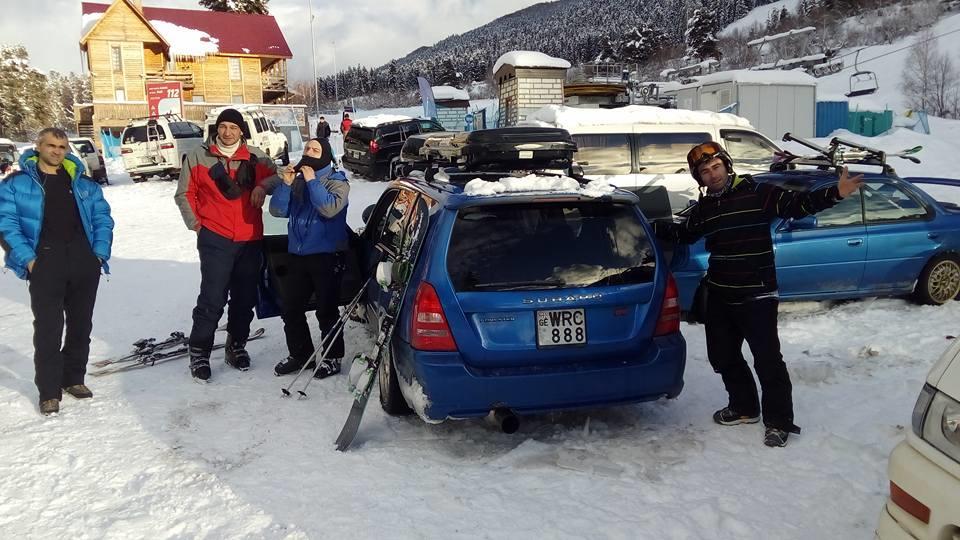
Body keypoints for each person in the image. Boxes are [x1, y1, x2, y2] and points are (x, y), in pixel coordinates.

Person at [652, 141, 863, 447]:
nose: (713, 175)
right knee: (722, 356)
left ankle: (778, 422)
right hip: (721, 293)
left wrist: (836, 192)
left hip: (757, 295)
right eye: (705, 172)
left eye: (716, 167)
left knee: (767, 361)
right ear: (699, 179)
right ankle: (744, 407)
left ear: (726, 165)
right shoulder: (706, 208)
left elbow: (798, 205)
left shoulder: (759, 192)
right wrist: (649, 226)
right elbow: (684, 234)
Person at [0, 128, 114, 416]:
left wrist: (98, 254)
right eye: (51, 145)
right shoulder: (16, 184)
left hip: (83, 261)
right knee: (49, 328)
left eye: (62, 146)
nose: (57, 151)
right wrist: (29, 260)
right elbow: (6, 224)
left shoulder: (83, 184)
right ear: (38, 147)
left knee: (81, 325)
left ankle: (74, 378)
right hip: (44, 262)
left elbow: (103, 218)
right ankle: (49, 391)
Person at [174, 108, 279, 382]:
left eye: (233, 127)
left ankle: (236, 345)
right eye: (223, 127)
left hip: (250, 238)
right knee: (212, 297)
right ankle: (199, 353)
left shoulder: (256, 156)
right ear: (216, 129)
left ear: (241, 130)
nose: (227, 132)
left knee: (245, 298)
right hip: (215, 237)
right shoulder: (200, 155)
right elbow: (184, 193)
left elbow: (279, 176)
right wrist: (198, 225)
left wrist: (263, 186)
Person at [270, 138, 350, 379]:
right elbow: (278, 211)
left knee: (326, 310)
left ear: (325, 155)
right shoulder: (297, 181)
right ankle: (300, 353)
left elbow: (329, 209)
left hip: (326, 255)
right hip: (298, 254)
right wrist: (285, 185)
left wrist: (313, 182)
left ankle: (332, 357)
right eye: (307, 149)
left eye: (315, 150)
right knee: (291, 308)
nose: (309, 153)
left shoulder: (338, 182)